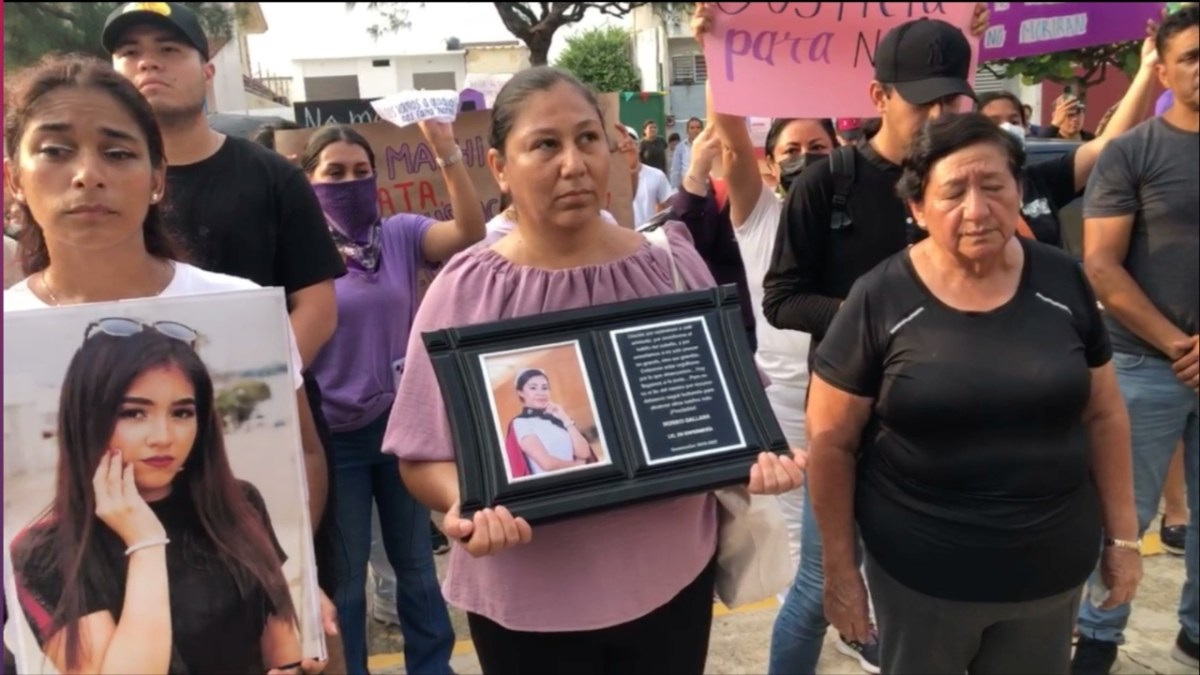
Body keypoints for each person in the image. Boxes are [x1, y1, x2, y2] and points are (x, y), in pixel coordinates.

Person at [380, 66, 804, 674]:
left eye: (588, 139)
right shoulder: (465, 288)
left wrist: (760, 458)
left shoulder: (670, 264)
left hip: (671, 583)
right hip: (526, 602)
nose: (573, 163)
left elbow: (733, 415)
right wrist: (466, 505)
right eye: (545, 145)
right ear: (500, 167)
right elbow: (421, 455)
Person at [1, 52, 336, 674]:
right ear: (12, 180)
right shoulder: (47, 548)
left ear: (158, 178)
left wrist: (302, 579)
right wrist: (145, 538)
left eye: (119, 152)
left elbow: (307, 454)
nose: (87, 175)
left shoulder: (238, 308)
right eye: (54, 150)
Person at [809, 112, 1141, 674]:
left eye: (993, 186)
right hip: (922, 580)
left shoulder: (1063, 280)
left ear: (1019, 190)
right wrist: (841, 573)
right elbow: (830, 443)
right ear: (917, 208)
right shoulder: (879, 298)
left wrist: (1125, 540)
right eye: (953, 192)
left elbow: (1104, 414)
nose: (977, 209)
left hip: (1050, 574)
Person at [101, 1, 347, 632]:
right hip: (133, 450)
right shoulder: (99, 190)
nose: (148, 62)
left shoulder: (272, 178)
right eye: (129, 52)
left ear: (208, 71)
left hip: (266, 437)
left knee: (290, 617)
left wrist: (252, 395)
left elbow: (316, 305)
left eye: (169, 48)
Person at [758, 10, 988, 673]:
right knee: (821, 583)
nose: (941, 116)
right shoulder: (827, 183)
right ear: (879, 97)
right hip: (850, 418)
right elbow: (782, 297)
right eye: (925, 102)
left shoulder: (960, 180)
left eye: (954, 99)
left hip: (944, 417)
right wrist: (879, 323)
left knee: (924, 582)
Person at [9, 324, 305, 674]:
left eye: (182, 413)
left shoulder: (238, 503)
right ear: (87, 420)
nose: (163, 437)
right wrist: (145, 542)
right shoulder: (46, 550)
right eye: (134, 413)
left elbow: (281, 640)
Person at [299, 121, 485, 675]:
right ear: (309, 182)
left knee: (416, 567)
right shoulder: (303, 251)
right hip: (336, 439)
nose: (350, 183)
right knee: (350, 576)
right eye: (334, 173)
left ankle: (431, 667)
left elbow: (469, 232)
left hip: (401, 430)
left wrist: (446, 151)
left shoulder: (402, 234)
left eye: (361, 172)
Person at [1072, 6, 1199, 672]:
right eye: (1192, 56)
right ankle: (1097, 637)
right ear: (1167, 67)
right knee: (1127, 514)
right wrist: (1181, 345)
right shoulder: (1134, 151)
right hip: (1145, 363)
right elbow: (1101, 265)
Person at [976, 26, 1161, 248]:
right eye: (993, 122)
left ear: (1026, 127)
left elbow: (1106, 144)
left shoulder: (1040, 180)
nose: (1005, 127)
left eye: (1014, 121)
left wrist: (1147, 68)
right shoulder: (967, 193)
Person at [506, 368, 596, 477]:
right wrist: (577, 466)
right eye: (533, 388)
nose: (541, 393)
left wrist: (565, 419)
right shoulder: (521, 423)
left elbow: (584, 453)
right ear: (520, 392)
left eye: (545, 388)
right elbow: (547, 464)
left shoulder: (557, 420)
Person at [623, 125, 673, 226]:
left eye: (630, 143)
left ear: (638, 147)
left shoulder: (657, 175)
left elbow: (667, 208)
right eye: (622, 145)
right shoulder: (608, 180)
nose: (626, 147)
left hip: (648, 235)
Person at [670, 117, 705, 188]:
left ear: (702, 130)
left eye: (698, 127)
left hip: (704, 187)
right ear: (687, 131)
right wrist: (674, 190)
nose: (696, 130)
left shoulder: (708, 147)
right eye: (692, 128)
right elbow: (675, 170)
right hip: (686, 188)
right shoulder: (680, 147)